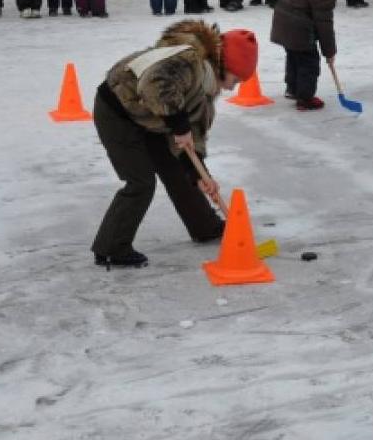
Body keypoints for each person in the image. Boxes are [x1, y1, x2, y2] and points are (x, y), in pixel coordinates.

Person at [91, 21, 259, 268]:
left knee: (181, 172)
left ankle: (206, 227)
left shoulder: (207, 88)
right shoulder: (189, 60)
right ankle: (112, 247)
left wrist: (199, 172)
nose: (236, 86)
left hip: (152, 119)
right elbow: (155, 85)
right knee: (141, 181)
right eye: (237, 77)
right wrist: (179, 126)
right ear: (225, 65)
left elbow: (194, 134)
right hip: (118, 112)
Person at [270, 0, 347, 111]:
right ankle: (305, 98)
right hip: (297, 25)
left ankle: (293, 89)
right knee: (309, 62)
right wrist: (330, 52)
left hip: (283, 21)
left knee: (294, 56)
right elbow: (324, 26)